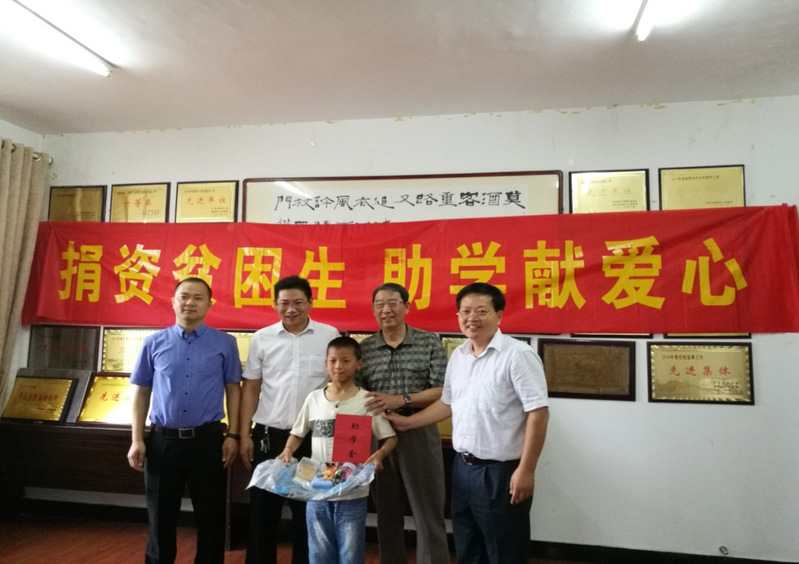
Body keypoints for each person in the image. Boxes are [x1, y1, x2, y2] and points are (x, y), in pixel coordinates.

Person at [385, 282, 549, 564]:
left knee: (504, 552)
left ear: (499, 315)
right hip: (463, 468)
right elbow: (448, 403)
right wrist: (408, 423)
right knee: (468, 549)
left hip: (501, 473)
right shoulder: (459, 356)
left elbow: (538, 412)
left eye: (481, 311)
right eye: (466, 311)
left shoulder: (517, 355)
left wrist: (526, 470)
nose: (472, 318)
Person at [127, 277, 242, 564]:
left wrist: (233, 435)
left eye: (198, 298)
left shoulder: (226, 343)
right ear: (173, 302)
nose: (190, 303)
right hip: (162, 441)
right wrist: (137, 439)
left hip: (208, 442)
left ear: (209, 304)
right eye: (184, 297)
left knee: (211, 517)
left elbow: (233, 390)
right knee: (160, 518)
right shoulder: (153, 343)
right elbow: (141, 392)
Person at [239, 275, 340, 564]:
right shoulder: (262, 338)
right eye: (284, 303)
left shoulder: (329, 335)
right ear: (275, 304)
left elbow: (339, 384)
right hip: (269, 437)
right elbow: (252, 387)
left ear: (310, 303)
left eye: (298, 302)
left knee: (309, 510)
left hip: (313, 440)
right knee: (263, 510)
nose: (291, 309)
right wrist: (244, 434)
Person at [278, 336, 398, 564]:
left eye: (345, 360)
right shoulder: (314, 398)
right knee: (319, 552)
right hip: (317, 487)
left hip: (352, 489)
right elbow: (298, 433)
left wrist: (379, 455)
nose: (338, 366)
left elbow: (390, 438)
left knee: (350, 554)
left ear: (358, 364)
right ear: (326, 363)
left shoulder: (367, 401)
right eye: (332, 361)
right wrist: (287, 449)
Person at [355, 283, 450, 564]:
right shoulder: (365, 349)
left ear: (407, 306)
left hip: (419, 429)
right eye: (380, 304)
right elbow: (357, 397)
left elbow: (443, 391)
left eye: (393, 303)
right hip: (379, 436)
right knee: (386, 511)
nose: (386, 310)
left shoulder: (428, 342)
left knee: (428, 510)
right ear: (373, 309)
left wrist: (401, 399)